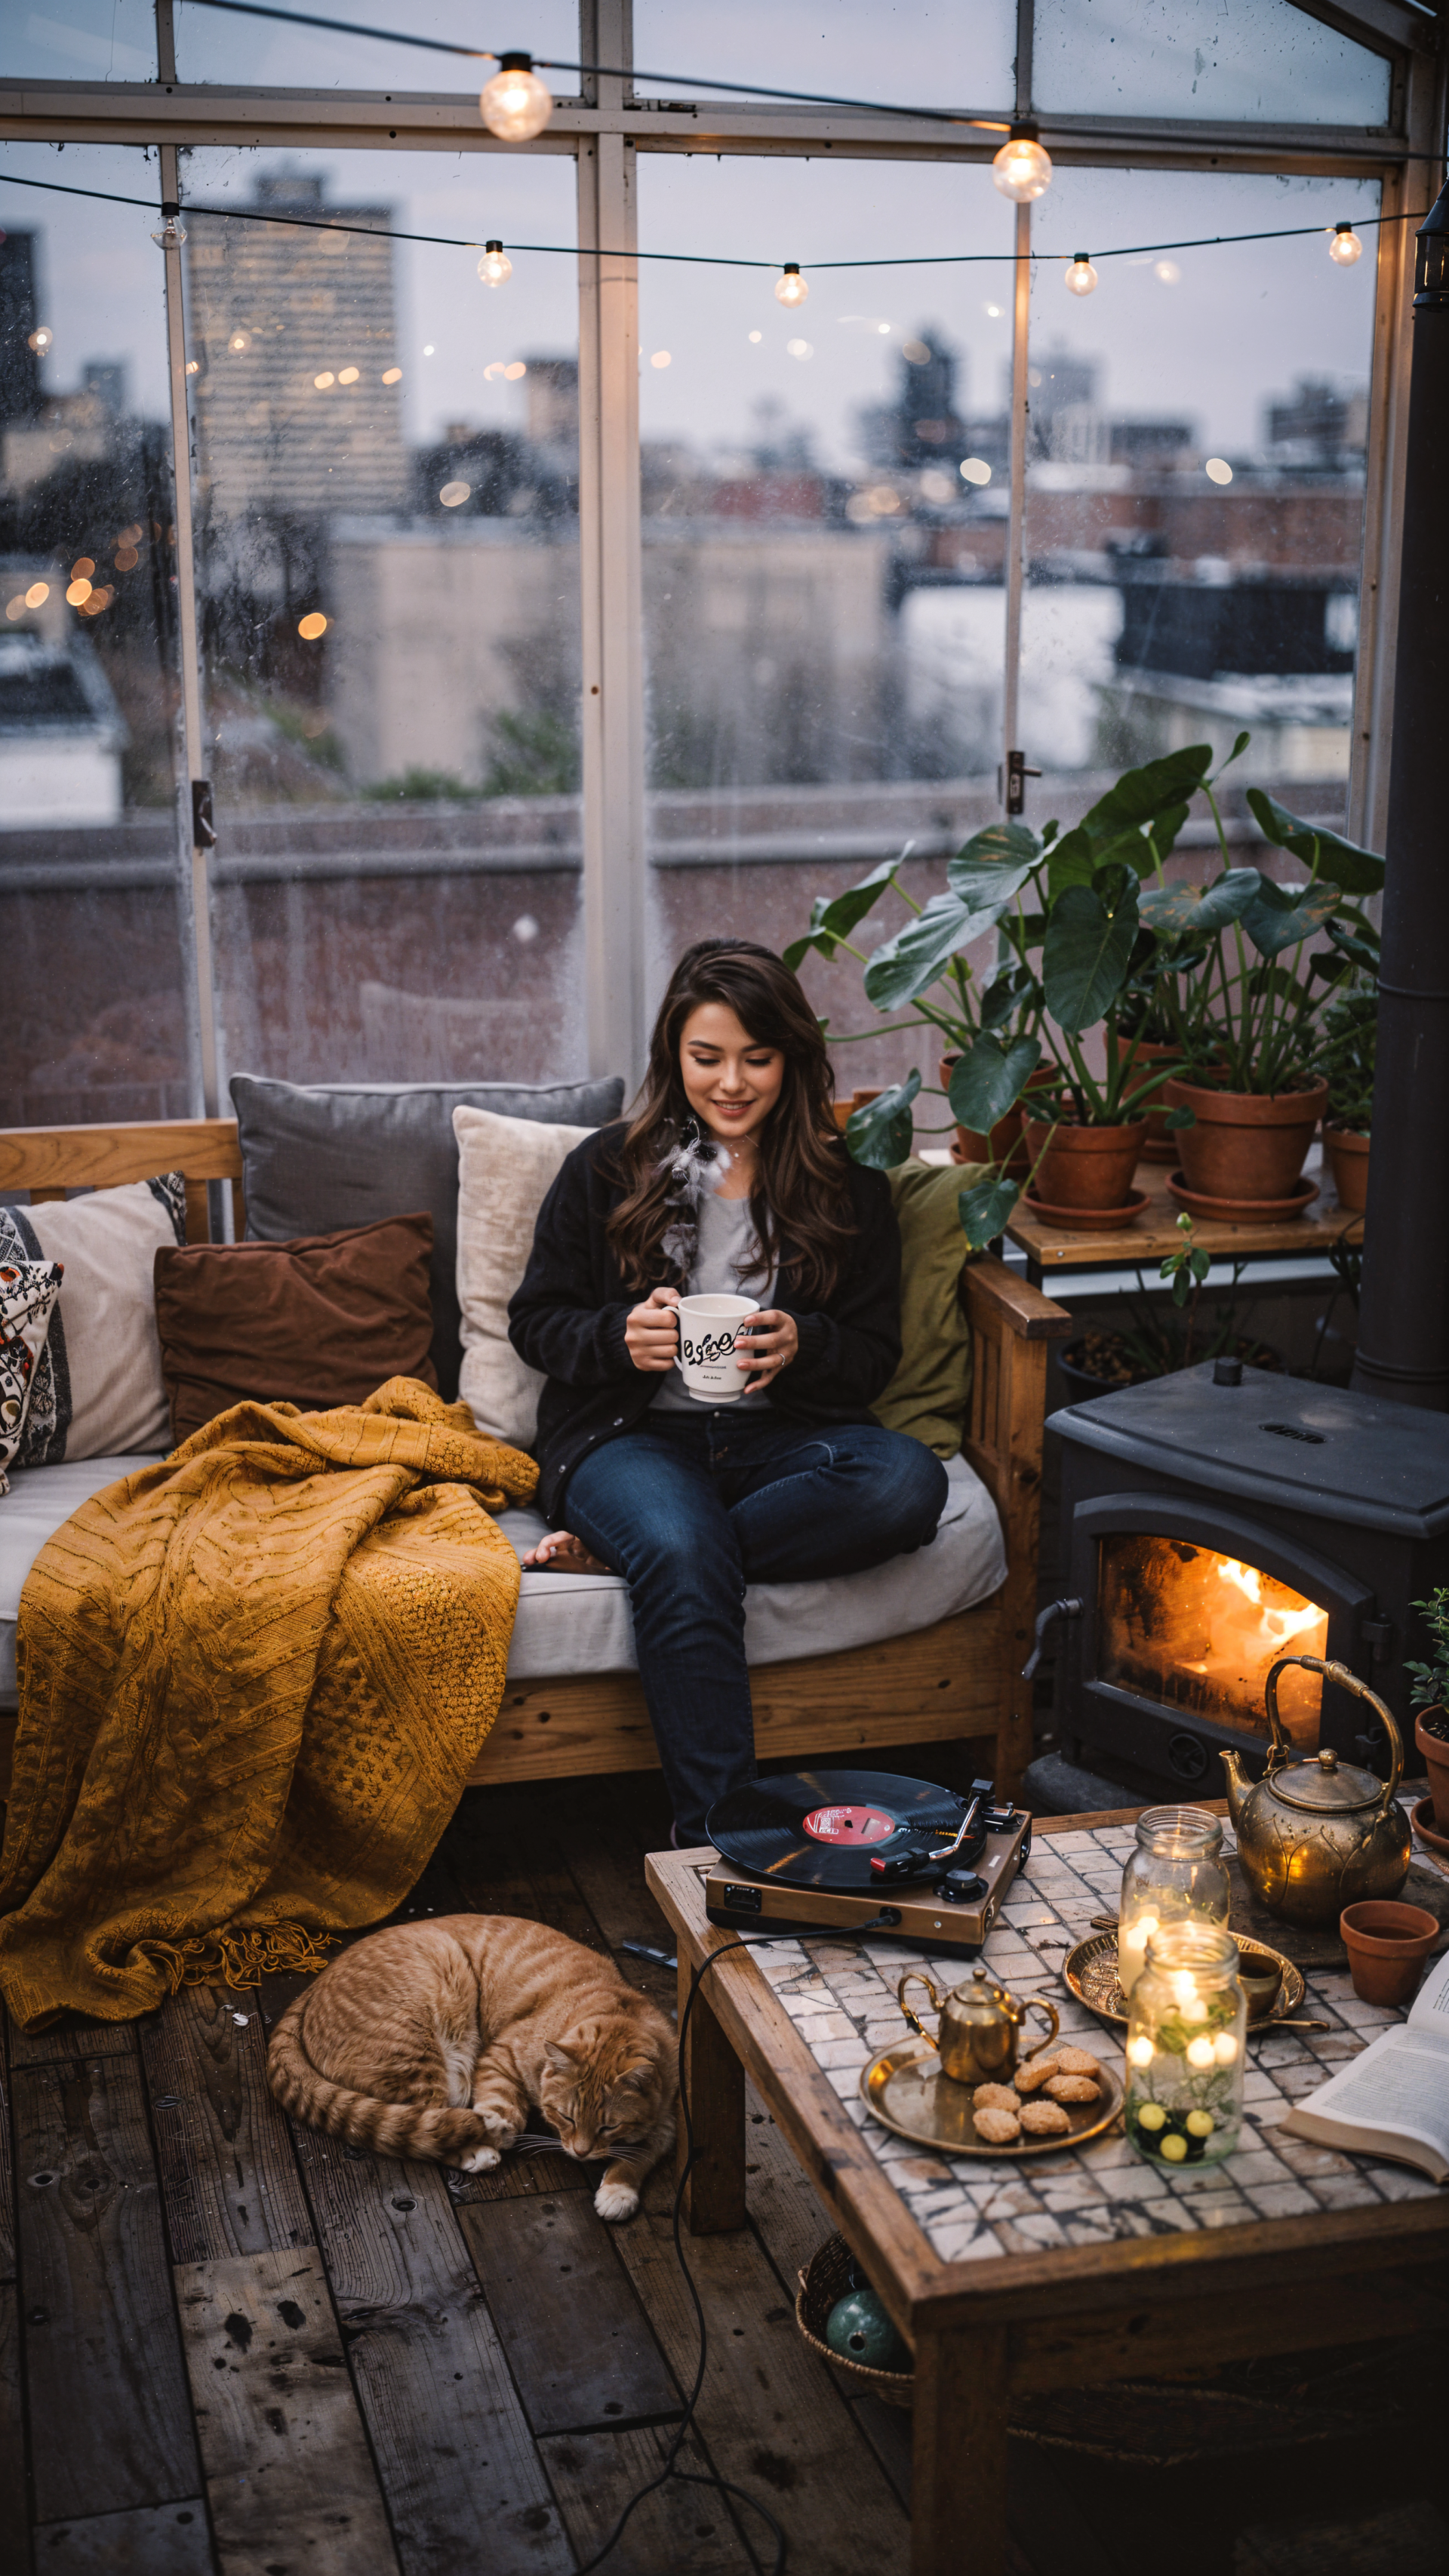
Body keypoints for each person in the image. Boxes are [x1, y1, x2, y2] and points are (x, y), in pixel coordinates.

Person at [507, 940, 949, 1844]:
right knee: (675, 1532)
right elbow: (537, 1319)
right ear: (674, 1054)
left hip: (776, 1447)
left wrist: (805, 1343)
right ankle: (723, 1843)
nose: (732, 1082)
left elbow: (871, 1356)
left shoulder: (846, 1189)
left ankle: (642, 1556)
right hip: (631, 1444)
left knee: (907, 1481)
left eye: (757, 1057)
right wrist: (614, 1335)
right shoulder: (605, 1169)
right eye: (707, 1057)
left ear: (793, 1059)